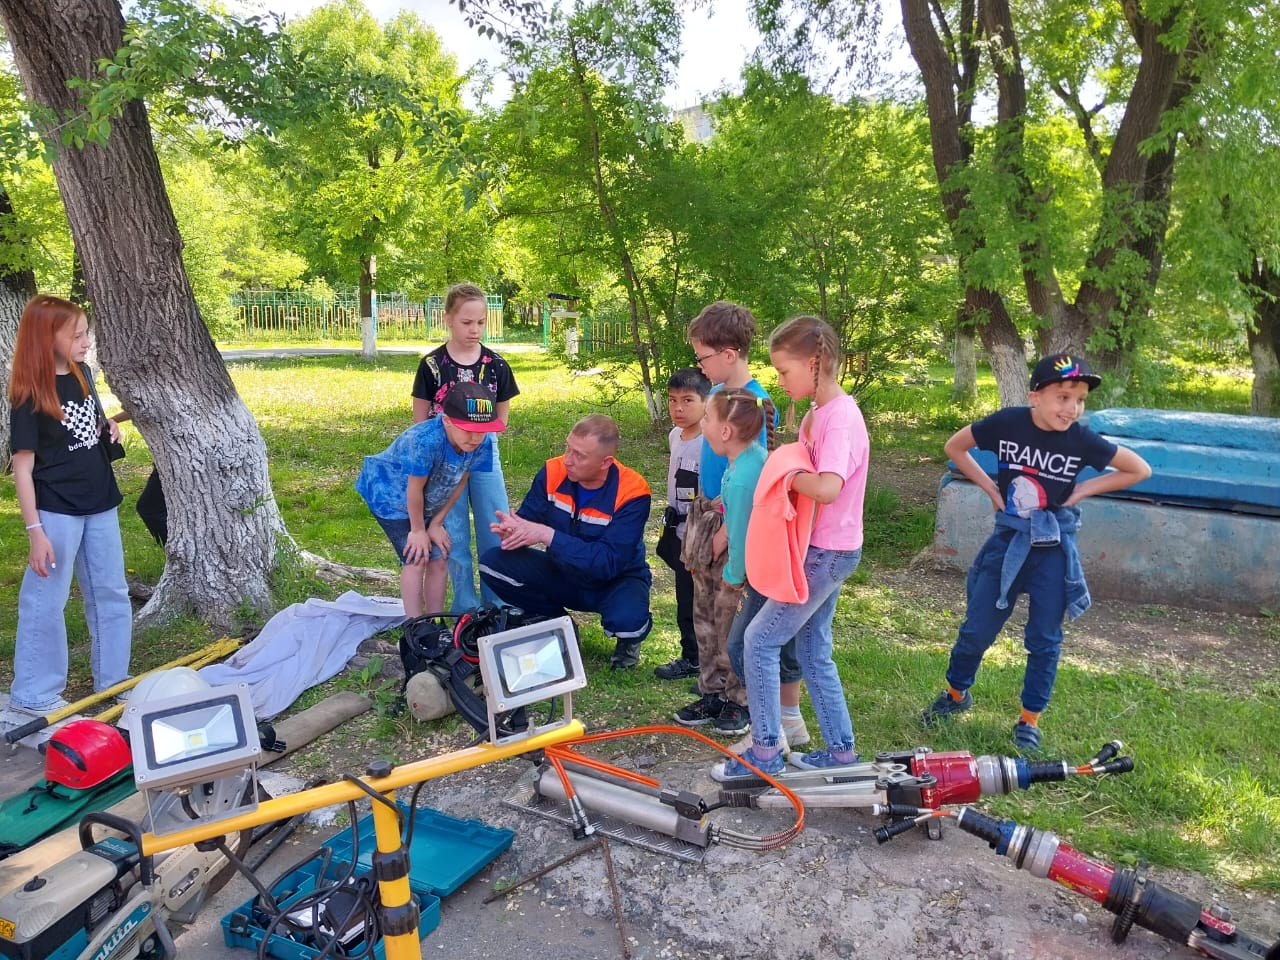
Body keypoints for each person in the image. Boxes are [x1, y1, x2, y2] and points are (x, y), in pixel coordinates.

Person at [919, 354, 1152, 751]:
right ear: (1035, 396)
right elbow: (955, 447)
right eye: (1063, 397)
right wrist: (992, 490)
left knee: (1044, 638)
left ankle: (1029, 719)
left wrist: (1081, 491)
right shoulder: (1007, 422)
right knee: (976, 629)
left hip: (1053, 550)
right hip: (1008, 543)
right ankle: (956, 695)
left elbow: (1138, 469)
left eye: (1079, 400)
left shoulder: (1081, 439)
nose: (1072, 408)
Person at [712, 315, 869, 782]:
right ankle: (842, 753)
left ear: (815, 362)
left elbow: (826, 488)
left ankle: (765, 752)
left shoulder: (840, 418)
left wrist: (780, 474)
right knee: (814, 648)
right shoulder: (816, 414)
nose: (779, 380)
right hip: (820, 548)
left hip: (828, 552)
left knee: (760, 640)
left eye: (784, 370)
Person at [681, 302, 804, 742]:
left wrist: (728, 534)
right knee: (706, 612)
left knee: (730, 614)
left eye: (704, 357)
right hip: (709, 512)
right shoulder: (716, 399)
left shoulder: (755, 402)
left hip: (736, 524)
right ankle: (712, 687)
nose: (699, 365)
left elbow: (758, 482)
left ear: (729, 354)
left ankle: (739, 697)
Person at [7, 294, 132, 716]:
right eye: (76, 335)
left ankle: (113, 682)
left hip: (100, 500)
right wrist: (34, 531)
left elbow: (87, 421)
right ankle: (34, 693)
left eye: (85, 334)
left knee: (111, 593)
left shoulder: (83, 373)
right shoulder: (29, 393)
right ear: (47, 338)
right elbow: (22, 469)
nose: (85, 342)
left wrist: (108, 424)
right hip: (55, 510)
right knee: (46, 600)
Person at [478, 414, 652, 669]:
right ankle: (558, 624)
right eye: (567, 448)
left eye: (579, 455)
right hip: (561, 571)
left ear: (606, 462)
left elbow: (608, 563)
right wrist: (514, 532)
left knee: (628, 622)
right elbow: (529, 519)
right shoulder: (553, 470)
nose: (568, 460)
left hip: (615, 580)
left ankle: (628, 642)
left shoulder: (633, 491)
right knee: (492, 563)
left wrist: (546, 535)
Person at [357, 382, 506, 618]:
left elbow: (461, 478)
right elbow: (413, 489)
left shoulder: (482, 442)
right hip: (389, 497)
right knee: (416, 557)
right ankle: (414, 626)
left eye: (482, 429)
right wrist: (418, 530)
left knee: (439, 557)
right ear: (446, 420)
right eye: (467, 428)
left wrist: (436, 523)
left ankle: (436, 622)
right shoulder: (424, 441)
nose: (475, 436)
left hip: (426, 498)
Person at [411, 283, 519, 612]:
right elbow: (420, 423)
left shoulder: (496, 365)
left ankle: (497, 603)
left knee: (494, 523)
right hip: (443, 460)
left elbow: (501, 416)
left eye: (481, 322)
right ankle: (464, 608)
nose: (474, 330)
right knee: (452, 531)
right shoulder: (431, 366)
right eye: (466, 322)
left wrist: (480, 437)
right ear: (448, 319)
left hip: (484, 454)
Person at [674, 389, 775, 738]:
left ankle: (738, 699)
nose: (702, 426)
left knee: (728, 633)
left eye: (707, 420)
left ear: (726, 432)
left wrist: (732, 582)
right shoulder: (744, 462)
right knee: (710, 629)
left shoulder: (746, 475)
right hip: (731, 567)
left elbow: (743, 534)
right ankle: (713, 692)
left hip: (738, 576)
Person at [653, 367, 711, 682]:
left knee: (703, 601)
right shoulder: (675, 435)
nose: (678, 408)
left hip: (701, 534)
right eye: (673, 400)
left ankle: (708, 659)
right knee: (684, 598)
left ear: (706, 401)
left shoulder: (711, 442)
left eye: (688, 400)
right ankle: (691, 656)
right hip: (677, 530)